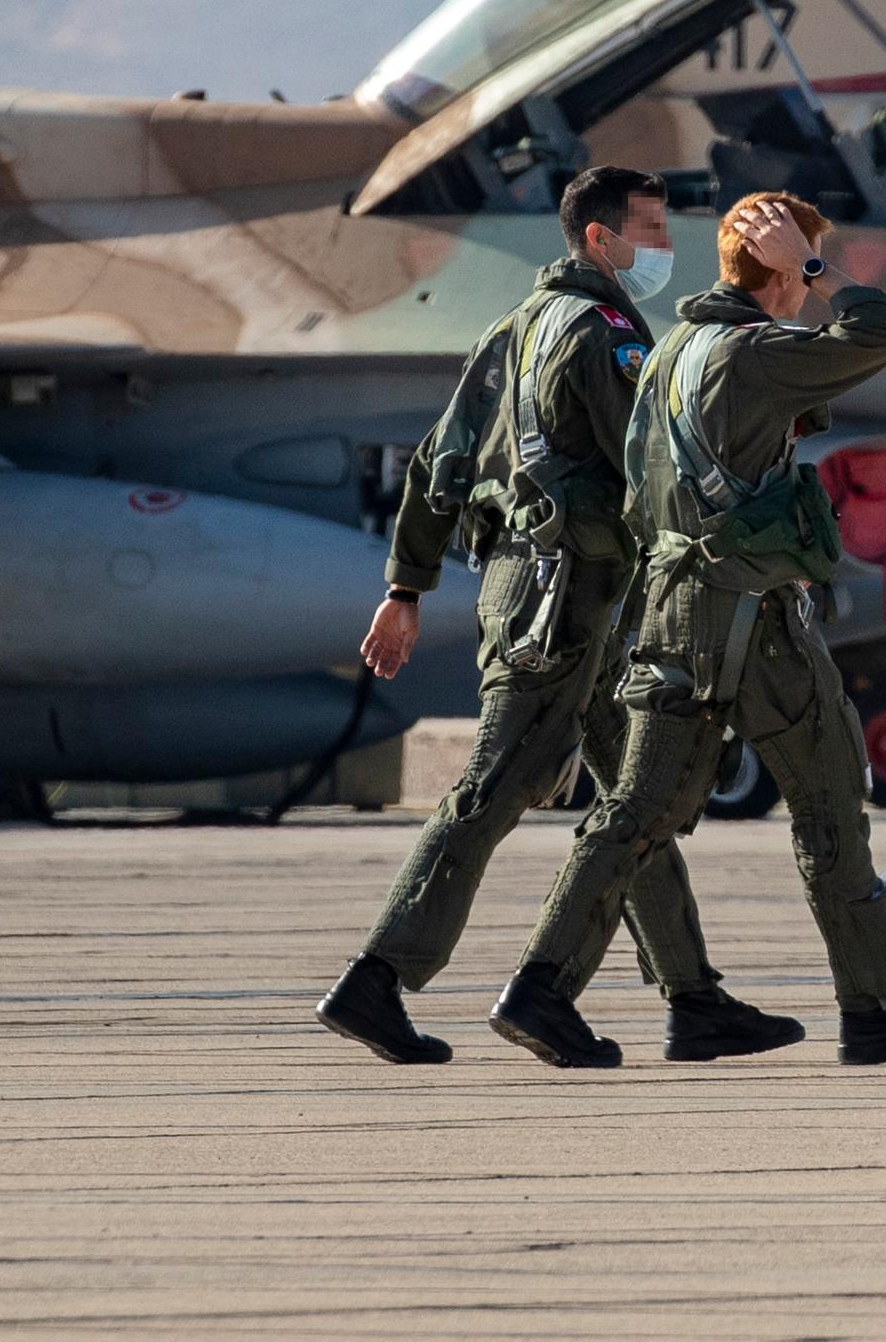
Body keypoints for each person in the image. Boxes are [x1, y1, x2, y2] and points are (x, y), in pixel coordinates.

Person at [317, 164, 800, 1067]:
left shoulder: (515, 327)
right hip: (569, 598)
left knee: (633, 799)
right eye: (649, 228)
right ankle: (376, 981)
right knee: (497, 788)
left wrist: (406, 588)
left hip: (548, 589)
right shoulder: (603, 330)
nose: (661, 246)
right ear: (598, 238)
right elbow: (653, 463)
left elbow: (437, 462)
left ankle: (693, 999)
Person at [491, 190, 886, 1069]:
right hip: (754, 622)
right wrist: (820, 269)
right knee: (829, 799)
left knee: (638, 809)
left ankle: (545, 988)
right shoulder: (757, 354)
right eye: (799, 263)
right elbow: (879, 334)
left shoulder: (673, 350)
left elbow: (641, 491)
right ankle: (875, 1009)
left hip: (676, 610)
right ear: (783, 271)